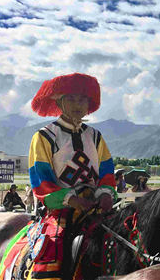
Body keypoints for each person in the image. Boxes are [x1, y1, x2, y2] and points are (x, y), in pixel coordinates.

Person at [26, 73, 117, 279]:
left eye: (83, 99)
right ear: (59, 102)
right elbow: (41, 180)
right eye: (71, 98)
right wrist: (73, 200)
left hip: (96, 206)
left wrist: (106, 194)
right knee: (51, 251)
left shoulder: (95, 136)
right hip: (62, 211)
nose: (78, 104)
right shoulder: (44, 137)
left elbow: (106, 172)